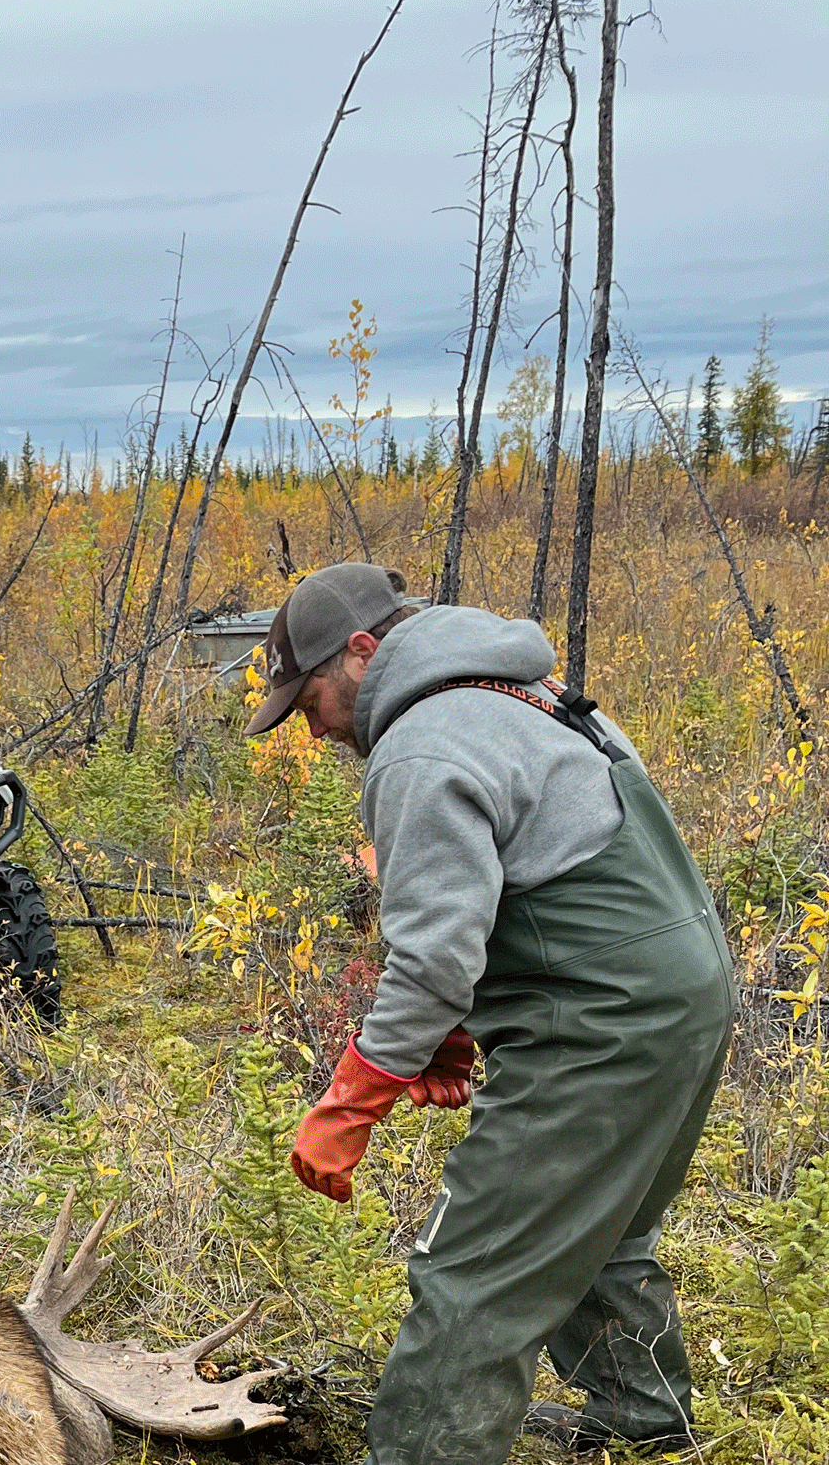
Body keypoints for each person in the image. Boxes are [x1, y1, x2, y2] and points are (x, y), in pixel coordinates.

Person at [244, 563, 733, 1465]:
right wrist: (454, 1028)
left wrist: (348, 1104)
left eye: (308, 697)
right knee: (605, 1229)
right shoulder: (529, 691)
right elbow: (560, 868)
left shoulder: (422, 744)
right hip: (684, 997)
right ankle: (644, 1429)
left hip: (600, 1025)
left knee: (473, 1274)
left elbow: (432, 956)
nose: (308, 726)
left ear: (361, 653)